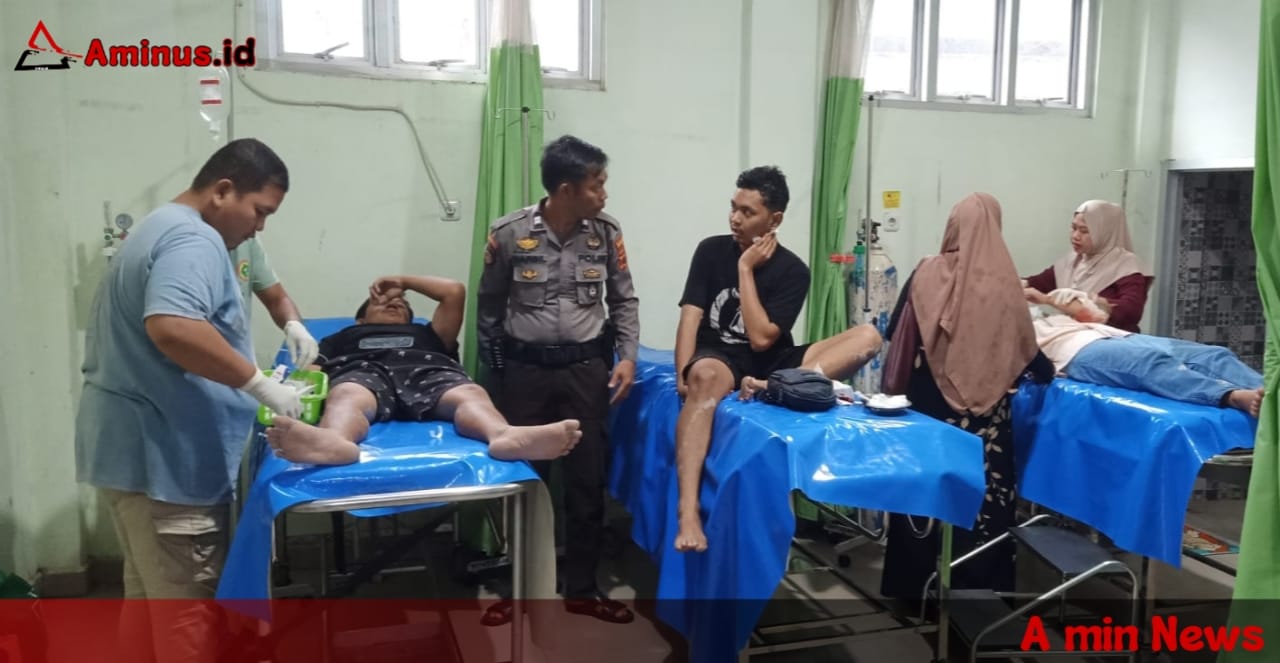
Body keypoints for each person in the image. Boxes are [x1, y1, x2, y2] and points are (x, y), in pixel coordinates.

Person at [74, 138, 302, 663]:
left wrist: (288, 328)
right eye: (260, 211)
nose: (260, 227)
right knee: (185, 612)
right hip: (164, 462)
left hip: (132, 453)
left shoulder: (158, 226)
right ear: (222, 191)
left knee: (148, 599)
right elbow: (173, 327)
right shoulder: (194, 240)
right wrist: (258, 383)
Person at [672, 165, 883, 553]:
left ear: (775, 219)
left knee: (869, 336)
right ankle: (688, 512)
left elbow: (761, 339)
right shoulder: (710, 250)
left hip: (772, 361)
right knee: (705, 375)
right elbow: (691, 316)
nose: (735, 219)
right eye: (733, 207)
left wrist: (745, 269)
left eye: (747, 212)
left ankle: (770, 387)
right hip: (721, 355)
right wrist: (682, 375)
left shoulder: (793, 271)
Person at [477, 135, 641, 624]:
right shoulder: (508, 233)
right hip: (525, 373)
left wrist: (628, 357)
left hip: (585, 373)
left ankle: (582, 590)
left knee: (587, 485)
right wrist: (497, 373)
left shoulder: (606, 232)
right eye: (597, 185)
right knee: (525, 483)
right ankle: (522, 590)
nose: (604, 194)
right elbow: (489, 306)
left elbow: (624, 299)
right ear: (567, 189)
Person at [878, 193, 1055, 602]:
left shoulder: (926, 271)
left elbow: (895, 332)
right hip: (985, 425)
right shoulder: (1006, 284)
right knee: (983, 500)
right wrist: (1047, 373)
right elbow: (1028, 354)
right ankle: (977, 596)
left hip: (925, 411)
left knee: (922, 494)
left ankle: (911, 590)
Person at [263, 274, 583, 464]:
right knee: (345, 395)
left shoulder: (429, 333)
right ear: (360, 319)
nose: (395, 302)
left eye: (403, 303)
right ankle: (334, 441)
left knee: (470, 393)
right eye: (383, 302)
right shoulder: (342, 337)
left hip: (430, 372)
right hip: (363, 375)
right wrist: (292, 389)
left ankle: (503, 436)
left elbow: (454, 291)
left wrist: (403, 282)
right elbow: (310, 374)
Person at [1027, 292, 1265, 416]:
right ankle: (1232, 396)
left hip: (1104, 333)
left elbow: (1097, 315)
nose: (1076, 236)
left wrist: (1046, 299)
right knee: (1149, 364)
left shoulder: (1030, 294)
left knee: (1212, 354)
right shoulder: (1008, 312)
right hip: (1069, 348)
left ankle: (1270, 394)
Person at [1022, 200, 1154, 332]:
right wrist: (1017, 284)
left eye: (1084, 231)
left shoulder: (1126, 265)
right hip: (1075, 334)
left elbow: (1131, 311)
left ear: (1104, 233)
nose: (1075, 236)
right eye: (1074, 228)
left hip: (1110, 338)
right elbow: (1037, 283)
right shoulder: (1074, 260)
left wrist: (1089, 301)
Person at [230, 237, 319, 367]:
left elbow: (277, 299)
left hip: (238, 359)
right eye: (258, 216)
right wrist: (253, 378)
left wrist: (294, 324)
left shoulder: (247, 240)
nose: (260, 228)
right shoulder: (200, 246)